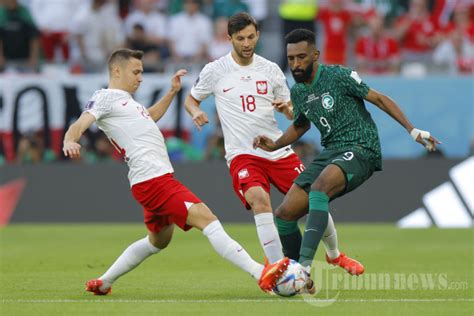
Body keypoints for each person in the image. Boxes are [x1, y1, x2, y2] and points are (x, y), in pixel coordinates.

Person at [62, 48, 289, 295]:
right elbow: (80, 123)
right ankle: (261, 273)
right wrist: (69, 140)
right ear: (116, 71)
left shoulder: (126, 102)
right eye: (136, 72)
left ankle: (104, 282)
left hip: (151, 180)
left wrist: (171, 92)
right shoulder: (105, 98)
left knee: (157, 241)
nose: (140, 77)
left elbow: (149, 117)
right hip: (154, 181)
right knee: (208, 220)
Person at [253, 28, 440, 290]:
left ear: (315, 55)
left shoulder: (338, 75)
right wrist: (275, 144)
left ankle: (303, 268)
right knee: (284, 214)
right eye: (291, 58)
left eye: (301, 57)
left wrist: (412, 130)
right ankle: (294, 281)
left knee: (319, 189)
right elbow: (301, 126)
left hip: (361, 146)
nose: (295, 64)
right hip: (331, 151)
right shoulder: (298, 92)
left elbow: (379, 98)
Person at [185, 12, 362, 278]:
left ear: (257, 35)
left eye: (251, 37)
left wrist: (288, 109)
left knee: (314, 198)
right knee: (258, 199)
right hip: (243, 154)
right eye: (241, 38)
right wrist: (195, 112)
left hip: (278, 151)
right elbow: (191, 99)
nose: (247, 43)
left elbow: (294, 113)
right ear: (230, 38)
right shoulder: (215, 70)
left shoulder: (270, 70)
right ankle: (280, 270)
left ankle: (335, 255)